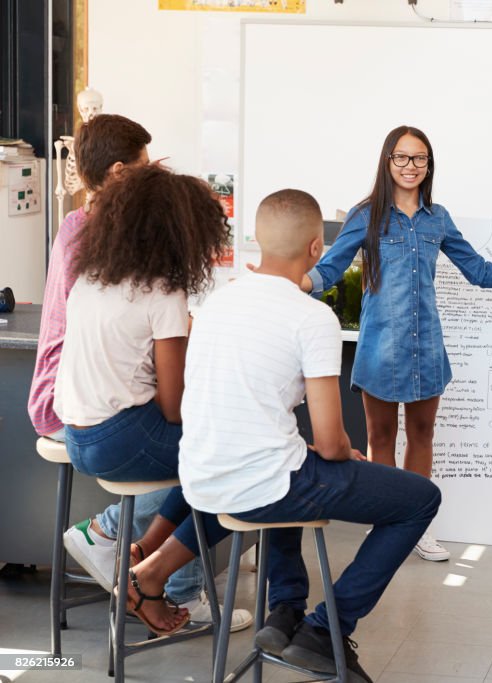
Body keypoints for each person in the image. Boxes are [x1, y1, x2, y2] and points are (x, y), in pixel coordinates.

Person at [129, 189, 440, 682]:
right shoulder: (312, 316)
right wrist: (344, 455)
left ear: (257, 240)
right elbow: (334, 441)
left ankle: (285, 611)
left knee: (293, 464)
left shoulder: (217, 300)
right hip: (260, 484)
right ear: (318, 248)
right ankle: (326, 628)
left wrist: (318, 452)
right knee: (419, 499)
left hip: (200, 478)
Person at [28, 115, 248, 629]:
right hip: (113, 432)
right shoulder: (161, 289)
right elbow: (173, 407)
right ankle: (145, 569)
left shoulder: (95, 273)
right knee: (232, 462)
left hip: (78, 427)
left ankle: (140, 557)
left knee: (208, 454)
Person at [305, 125, 492, 561]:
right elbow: (329, 270)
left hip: (427, 349)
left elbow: (479, 272)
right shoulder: (366, 214)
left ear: (429, 165)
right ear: (388, 161)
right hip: (379, 348)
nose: (411, 166)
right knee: (380, 435)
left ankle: (416, 526)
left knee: (423, 434)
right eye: (402, 158)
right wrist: (289, 282)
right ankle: (386, 526)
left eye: (419, 158)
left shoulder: (437, 218)